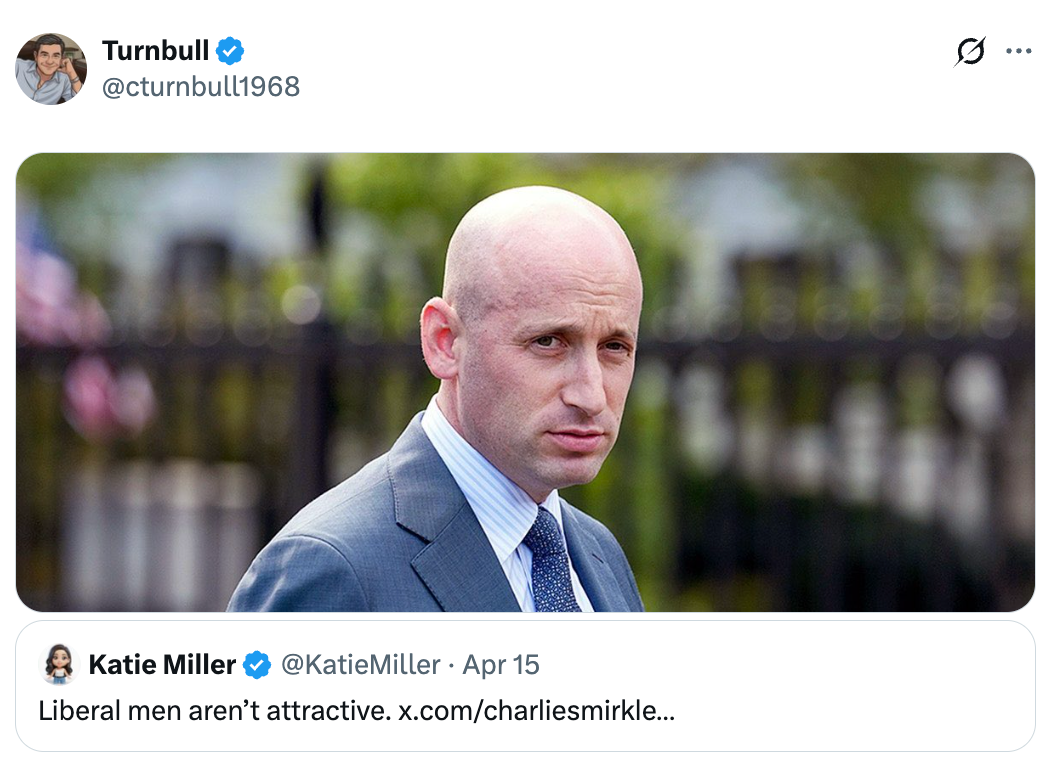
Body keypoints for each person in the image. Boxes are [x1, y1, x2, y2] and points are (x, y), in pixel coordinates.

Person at [228, 186, 645, 612]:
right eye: (548, 341)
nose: (591, 395)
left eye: (614, 347)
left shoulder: (598, 555)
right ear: (444, 342)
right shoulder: (332, 567)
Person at [16, 34, 82, 105]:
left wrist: (72, 73)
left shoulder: (64, 79)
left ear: (61, 58)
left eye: (56, 56)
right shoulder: (18, 66)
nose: (50, 61)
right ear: (36, 56)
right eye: (44, 55)